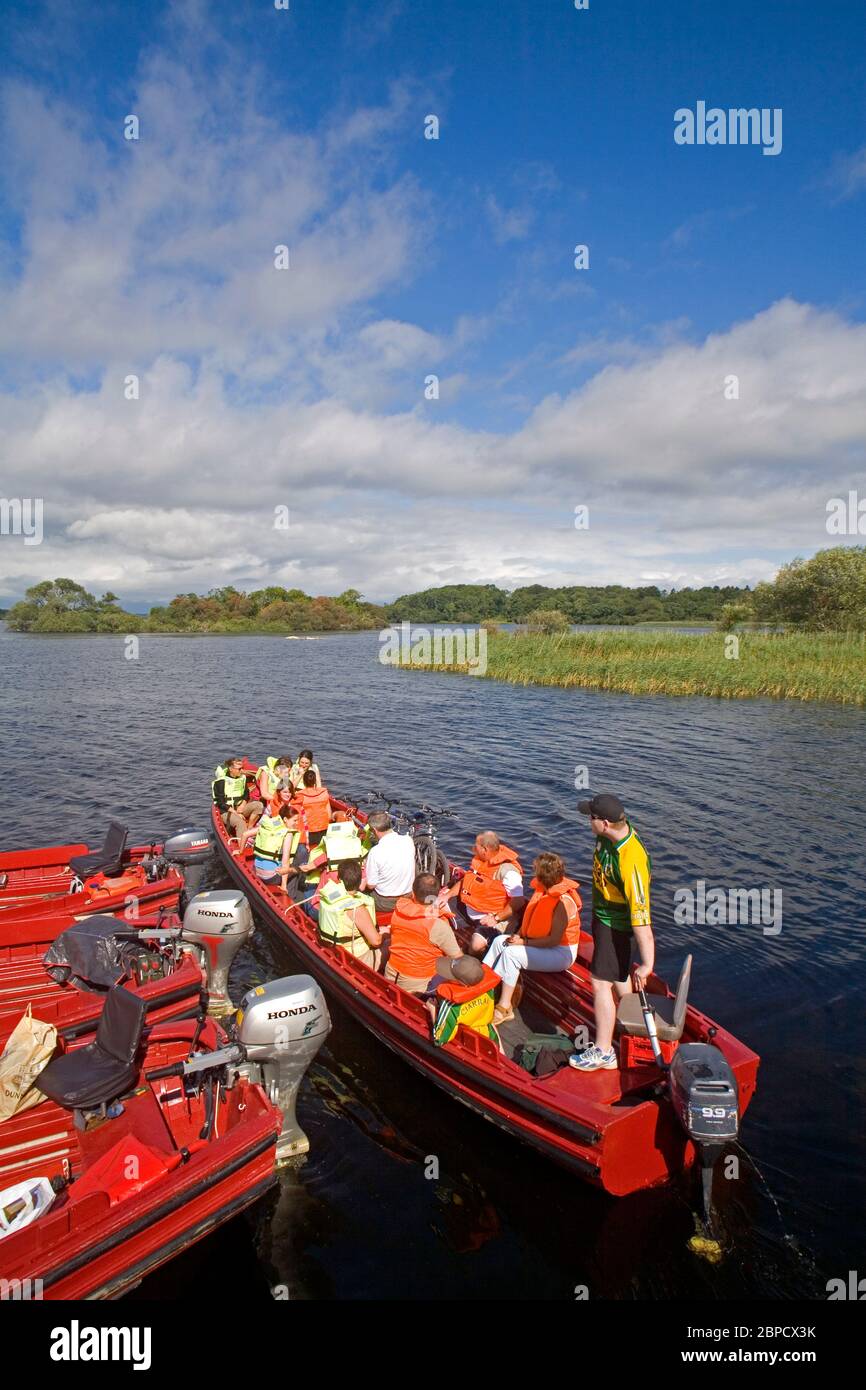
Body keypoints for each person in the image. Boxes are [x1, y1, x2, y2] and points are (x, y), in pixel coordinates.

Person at [569, 793, 653, 1073]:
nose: (587, 822)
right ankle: (630, 1025)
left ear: (605, 823)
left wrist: (648, 964)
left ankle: (604, 1051)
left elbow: (641, 917)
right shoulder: (607, 835)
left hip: (614, 924)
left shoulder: (631, 861)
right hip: (602, 915)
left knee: (599, 983)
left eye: (591, 818)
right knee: (619, 977)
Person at [483, 852, 582, 1026]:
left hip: (560, 953)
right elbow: (531, 920)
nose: (533, 873)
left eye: (536, 871)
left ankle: (504, 1007)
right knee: (500, 941)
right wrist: (519, 935)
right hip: (539, 943)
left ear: (543, 876)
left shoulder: (562, 903)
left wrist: (524, 943)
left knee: (511, 955)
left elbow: (553, 940)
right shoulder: (542, 892)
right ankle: (482, 985)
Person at [446, 832, 524, 952]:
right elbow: (466, 880)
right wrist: (447, 895)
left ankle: (473, 962)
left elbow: (518, 901)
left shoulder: (508, 872)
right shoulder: (481, 860)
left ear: (484, 849)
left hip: (492, 918)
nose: (472, 848)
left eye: (475, 846)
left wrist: (496, 918)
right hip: (470, 909)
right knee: (436, 906)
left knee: (476, 946)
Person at [386, 872, 463, 993]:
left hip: (391, 972)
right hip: (417, 983)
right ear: (437, 895)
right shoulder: (438, 925)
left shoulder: (399, 910)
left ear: (413, 893)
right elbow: (458, 959)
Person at [318, 859, 381, 969]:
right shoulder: (357, 909)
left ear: (339, 879)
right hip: (356, 959)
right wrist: (385, 936)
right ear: (359, 881)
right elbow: (376, 942)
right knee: (389, 942)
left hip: (336, 951)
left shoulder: (329, 897)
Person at [429, 954, 502, 1048]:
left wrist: (432, 1008)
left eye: (451, 976)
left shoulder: (451, 1005)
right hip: (490, 1039)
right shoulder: (489, 989)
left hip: (470, 1044)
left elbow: (438, 1039)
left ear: (462, 983)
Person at [363, 811, 416, 920]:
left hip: (385, 902)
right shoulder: (408, 840)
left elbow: (371, 885)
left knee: (356, 888)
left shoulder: (375, 852)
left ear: (374, 830)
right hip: (408, 895)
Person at [242, 803, 300, 891]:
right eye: (295, 820)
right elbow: (285, 860)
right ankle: (291, 893)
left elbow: (245, 834)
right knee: (296, 866)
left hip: (257, 871)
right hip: (271, 878)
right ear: (285, 819)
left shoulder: (269, 826)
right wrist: (283, 886)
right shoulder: (288, 834)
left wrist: (240, 851)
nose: (297, 823)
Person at [212, 757, 263, 841]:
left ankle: (249, 829)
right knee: (240, 822)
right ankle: (242, 844)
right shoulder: (221, 782)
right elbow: (220, 803)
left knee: (259, 805)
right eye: (239, 769)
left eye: (242, 768)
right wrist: (235, 813)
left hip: (239, 808)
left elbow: (246, 794)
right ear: (231, 769)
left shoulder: (242, 778)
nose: (242, 771)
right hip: (226, 811)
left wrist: (242, 805)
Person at [293, 769, 332, 848]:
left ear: (303, 782)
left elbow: (288, 789)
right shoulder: (324, 793)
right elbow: (329, 816)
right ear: (315, 782)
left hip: (307, 833)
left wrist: (300, 775)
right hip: (324, 830)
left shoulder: (299, 795)